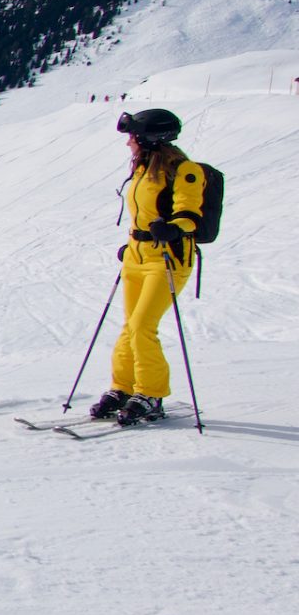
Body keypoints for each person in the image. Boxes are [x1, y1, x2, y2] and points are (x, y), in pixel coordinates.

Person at [91, 108, 206, 426]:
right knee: (130, 326)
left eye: (133, 137)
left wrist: (173, 227)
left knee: (142, 326)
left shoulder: (184, 171)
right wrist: (134, 243)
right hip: (137, 257)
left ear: (151, 139)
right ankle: (123, 388)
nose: (128, 142)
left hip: (167, 260)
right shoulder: (142, 169)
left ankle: (152, 394)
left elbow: (189, 213)